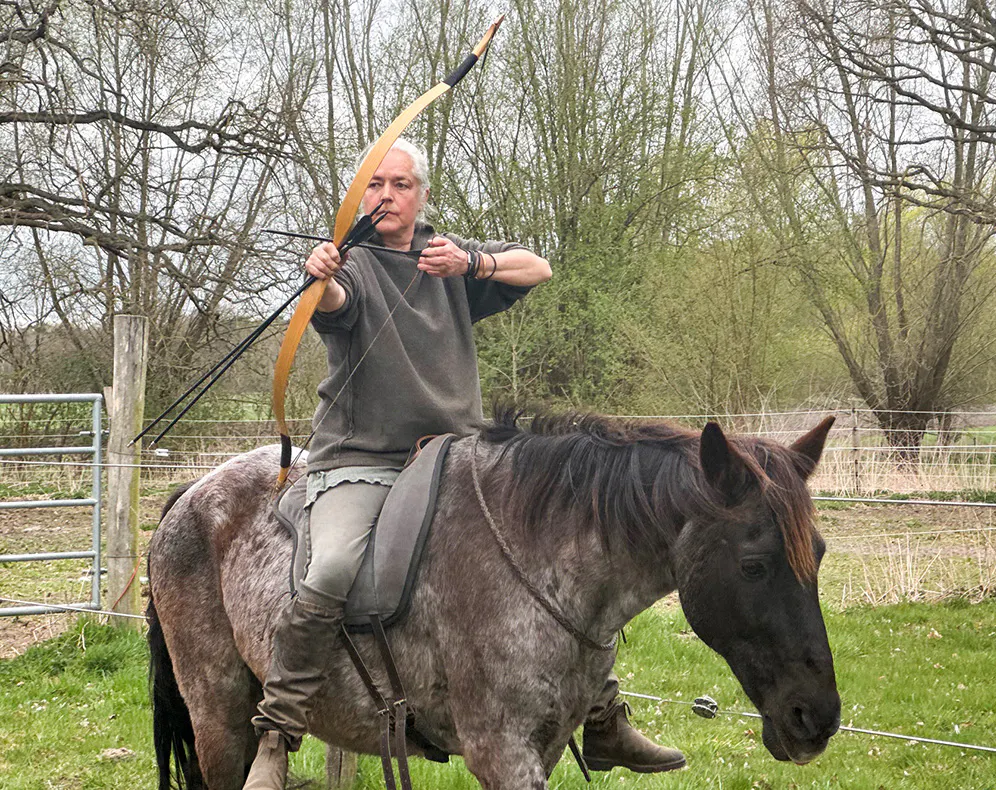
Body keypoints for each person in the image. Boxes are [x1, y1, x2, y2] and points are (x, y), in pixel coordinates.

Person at [244, 139, 686, 790]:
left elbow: (539, 269)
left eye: (399, 184)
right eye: (373, 185)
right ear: (358, 197)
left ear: (421, 194)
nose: (385, 196)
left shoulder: (445, 259)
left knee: (562, 559)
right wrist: (322, 277)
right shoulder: (354, 266)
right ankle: (276, 736)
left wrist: (473, 262)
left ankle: (602, 716)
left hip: (459, 458)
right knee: (332, 564)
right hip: (362, 460)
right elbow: (335, 306)